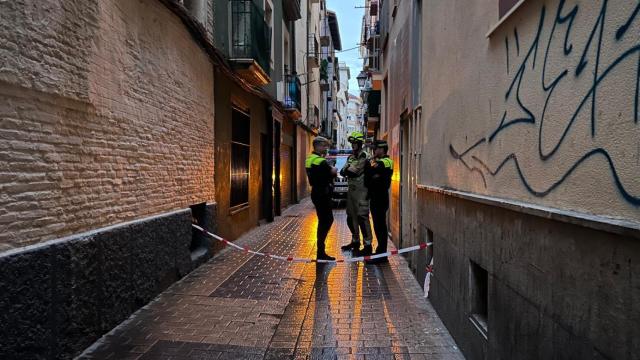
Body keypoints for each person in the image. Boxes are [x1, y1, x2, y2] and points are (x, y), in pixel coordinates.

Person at [340, 131, 373, 256]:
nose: (353, 145)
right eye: (352, 143)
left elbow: (355, 171)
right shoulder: (351, 157)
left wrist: (348, 168)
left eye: (355, 143)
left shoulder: (364, 156)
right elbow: (343, 172)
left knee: (362, 217)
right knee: (350, 218)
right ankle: (355, 241)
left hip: (362, 192)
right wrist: (348, 169)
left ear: (360, 144)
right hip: (351, 192)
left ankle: (368, 245)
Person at [305, 136, 337, 260]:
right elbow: (333, 172)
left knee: (323, 220)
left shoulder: (310, 159)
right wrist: (333, 169)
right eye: (324, 146)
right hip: (322, 193)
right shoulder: (320, 161)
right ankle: (321, 252)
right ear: (317, 146)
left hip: (316, 192)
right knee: (327, 220)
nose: (326, 148)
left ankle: (321, 250)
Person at [364, 139, 393, 264]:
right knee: (377, 225)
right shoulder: (376, 162)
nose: (373, 151)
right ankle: (380, 252)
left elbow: (371, 171)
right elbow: (367, 178)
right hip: (375, 197)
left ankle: (382, 255)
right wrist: (373, 175)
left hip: (381, 198)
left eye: (375, 148)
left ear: (381, 149)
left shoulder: (387, 162)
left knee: (380, 226)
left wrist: (373, 173)